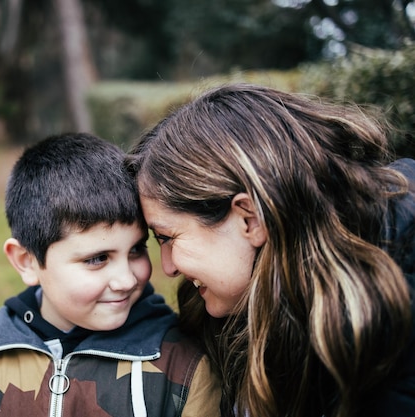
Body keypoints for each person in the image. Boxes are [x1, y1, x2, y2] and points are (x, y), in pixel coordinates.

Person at [125, 83, 415, 417]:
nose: (169, 267)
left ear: (249, 220)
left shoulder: (394, 330)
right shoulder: (254, 307)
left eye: (167, 237)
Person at [0, 132, 221, 417]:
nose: (127, 281)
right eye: (97, 259)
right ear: (27, 262)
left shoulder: (183, 367)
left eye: (136, 249)